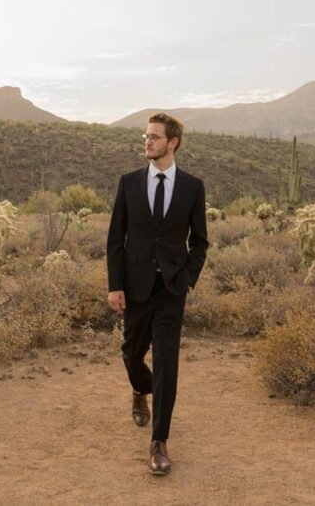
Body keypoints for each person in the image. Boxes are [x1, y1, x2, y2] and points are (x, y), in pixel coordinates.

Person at [106, 112, 209, 476]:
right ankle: (140, 388)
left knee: (167, 363)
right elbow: (115, 239)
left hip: (171, 289)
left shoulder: (192, 187)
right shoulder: (129, 183)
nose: (147, 141)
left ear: (172, 142)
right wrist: (114, 285)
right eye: (146, 136)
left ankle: (159, 443)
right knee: (131, 353)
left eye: (154, 137)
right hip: (135, 288)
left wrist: (188, 278)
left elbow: (200, 242)